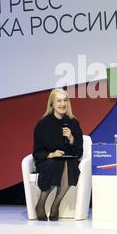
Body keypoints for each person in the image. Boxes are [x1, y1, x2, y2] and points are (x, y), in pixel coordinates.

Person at [32, 88, 83, 221]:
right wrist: (52, 154)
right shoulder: (43, 124)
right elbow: (37, 152)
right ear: (52, 104)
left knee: (69, 163)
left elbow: (79, 152)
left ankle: (56, 204)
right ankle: (41, 204)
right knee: (55, 164)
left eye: (65, 100)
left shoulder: (73, 123)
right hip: (48, 160)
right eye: (59, 100)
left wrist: (71, 138)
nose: (63, 104)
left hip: (67, 161)